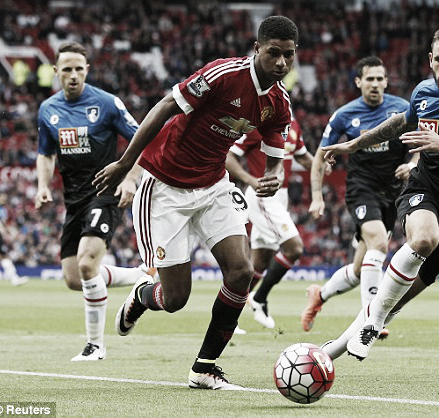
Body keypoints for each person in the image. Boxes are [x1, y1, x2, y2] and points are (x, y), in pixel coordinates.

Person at [92, 16, 299, 389]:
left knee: (240, 270)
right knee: (175, 299)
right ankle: (141, 297)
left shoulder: (279, 101)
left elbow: (273, 147)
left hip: (214, 185)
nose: (281, 63)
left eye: (288, 55)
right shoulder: (223, 74)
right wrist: (126, 164)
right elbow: (166, 106)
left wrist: (274, 174)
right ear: (257, 49)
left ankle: (204, 368)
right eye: (274, 53)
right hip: (164, 188)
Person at [321, 23, 439, 361]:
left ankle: (329, 353)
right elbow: (399, 122)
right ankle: (371, 321)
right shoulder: (424, 92)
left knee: (400, 298)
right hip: (424, 186)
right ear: (429, 59)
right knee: (423, 239)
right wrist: (356, 142)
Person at [35, 42, 155, 362]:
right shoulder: (48, 110)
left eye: (79, 69)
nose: (73, 75)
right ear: (55, 71)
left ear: (86, 70)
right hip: (74, 200)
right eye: (67, 69)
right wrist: (42, 186)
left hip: (105, 191)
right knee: (75, 278)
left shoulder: (107, 104)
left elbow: (143, 140)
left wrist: (130, 178)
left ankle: (95, 346)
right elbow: (45, 154)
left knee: (89, 264)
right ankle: (140, 276)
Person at [300, 56, 417, 336]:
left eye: (380, 78)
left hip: (393, 193)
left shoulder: (402, 109)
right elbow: (320, 157)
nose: (375, 84)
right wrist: (317, 195)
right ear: (358, 82)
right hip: (361, 189)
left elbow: (421, 143)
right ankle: (371, 318)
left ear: (386, 81)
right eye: (370, 79)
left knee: (357, 269)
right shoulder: (344, 115)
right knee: (378, 242)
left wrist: (413, 164)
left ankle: (320, 294)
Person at [225, 116, 314, 329]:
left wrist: (322, 164)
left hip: (280, 197)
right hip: (262, 194)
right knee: (294, 248)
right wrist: (250, 180)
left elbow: (302, 157)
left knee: (260, 262)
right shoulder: (257, 124)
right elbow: (229, 156)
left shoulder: (294, 124)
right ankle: (259, 298)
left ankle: (227, 315)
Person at [0, 192, 29, 286]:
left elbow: (4, 222)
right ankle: (14, 279)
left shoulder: (3, 209)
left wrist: (9, 232)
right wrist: (3, 232)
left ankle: (14, 279)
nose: (4, 200)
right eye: (2, 198)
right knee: (4, 256)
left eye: (5, 198)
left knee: (3, 256)